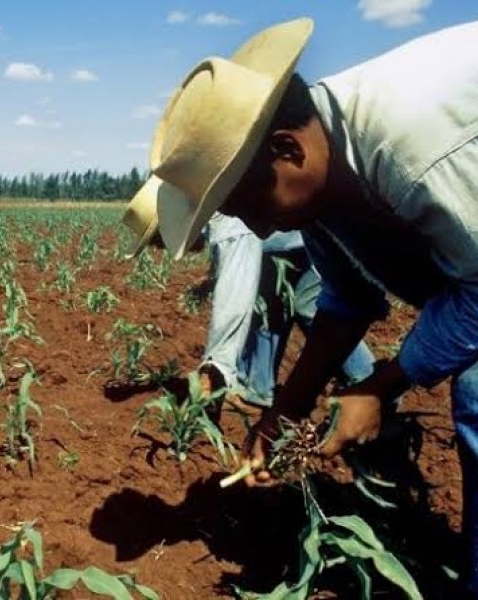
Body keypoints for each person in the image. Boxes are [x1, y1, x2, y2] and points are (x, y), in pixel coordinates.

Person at [134, 17, 478, 592]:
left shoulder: (411, 146)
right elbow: (348, 300)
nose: (254, 227)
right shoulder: (323, 173)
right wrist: (283, 414)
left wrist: (377, 386)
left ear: (287, 149)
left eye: (245, 205)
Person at [122, 180, 377, 408]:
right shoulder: (212, 204)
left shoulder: (224, 217)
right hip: (296, 241)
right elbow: (236, 257)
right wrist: (211, 281)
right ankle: (257, 391)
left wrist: (216, 366)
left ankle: (371, 385)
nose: (166, 248)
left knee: (312, 307)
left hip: (322, 233)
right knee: (273, 301)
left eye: (161, 240)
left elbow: (234, 301)